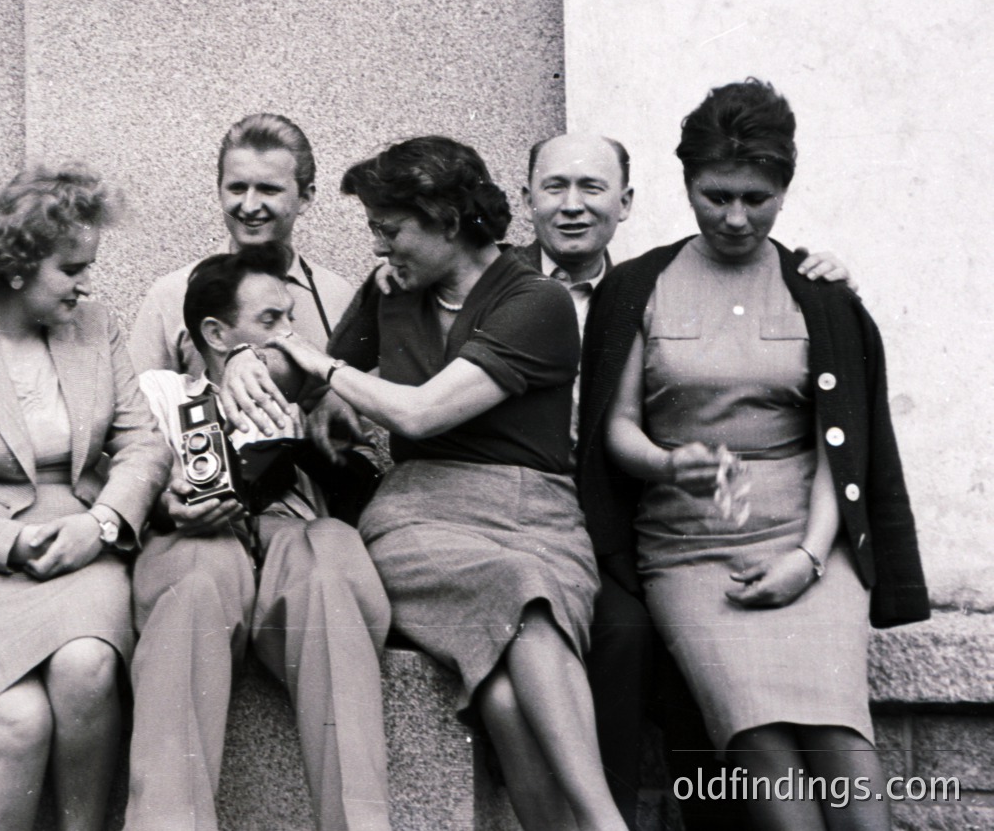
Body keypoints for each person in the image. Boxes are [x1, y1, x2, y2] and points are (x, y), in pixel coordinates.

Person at [577, 79, 929, 831]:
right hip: (691, 553)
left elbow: (845, 449)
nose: (734, 216)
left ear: (783, 189)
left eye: (755, 197)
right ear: (686, 184)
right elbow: (616, 429)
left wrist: (806, 556)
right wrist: (670, 464)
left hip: (810, 547)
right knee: (762, 747)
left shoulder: (817, 291)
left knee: (842, 745)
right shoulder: (641, 285)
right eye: (715, 195)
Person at [266, 136, 627, 831]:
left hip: (535, 516)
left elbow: (420, 409)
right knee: (519, 589)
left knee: (502, 688)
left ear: (449, 221)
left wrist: (323, 369)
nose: (378, 247)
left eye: (390, 228)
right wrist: (276, 371)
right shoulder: (388, 295)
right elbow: (327, 384)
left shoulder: (538, 300)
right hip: (417, 516)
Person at [0, 164, 170, 831]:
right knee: (18, 718)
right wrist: (12, 543)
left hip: (81, 541)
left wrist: (100, 524)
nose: (85, 281)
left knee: (87, 666)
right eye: (70, 267)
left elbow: (144, 447)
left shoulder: (95, 328)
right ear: (16, 267)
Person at [126, 244, 391, 831]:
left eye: (292, 318)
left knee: (327, 559)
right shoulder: (158, 392)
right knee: (196, 580)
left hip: (290, 547)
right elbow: (125, 476)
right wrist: (167, 503)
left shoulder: (308, 392)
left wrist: (321, 407)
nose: (289, 335)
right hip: (196, 545)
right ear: (218, 334)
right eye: (271, 322)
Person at [129, 113, 353, 378]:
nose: (249, 206)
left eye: (268, 189)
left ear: (305, 197)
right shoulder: (171, 295)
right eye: (236, 188)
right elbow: (139, 410)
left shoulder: (339, 298)